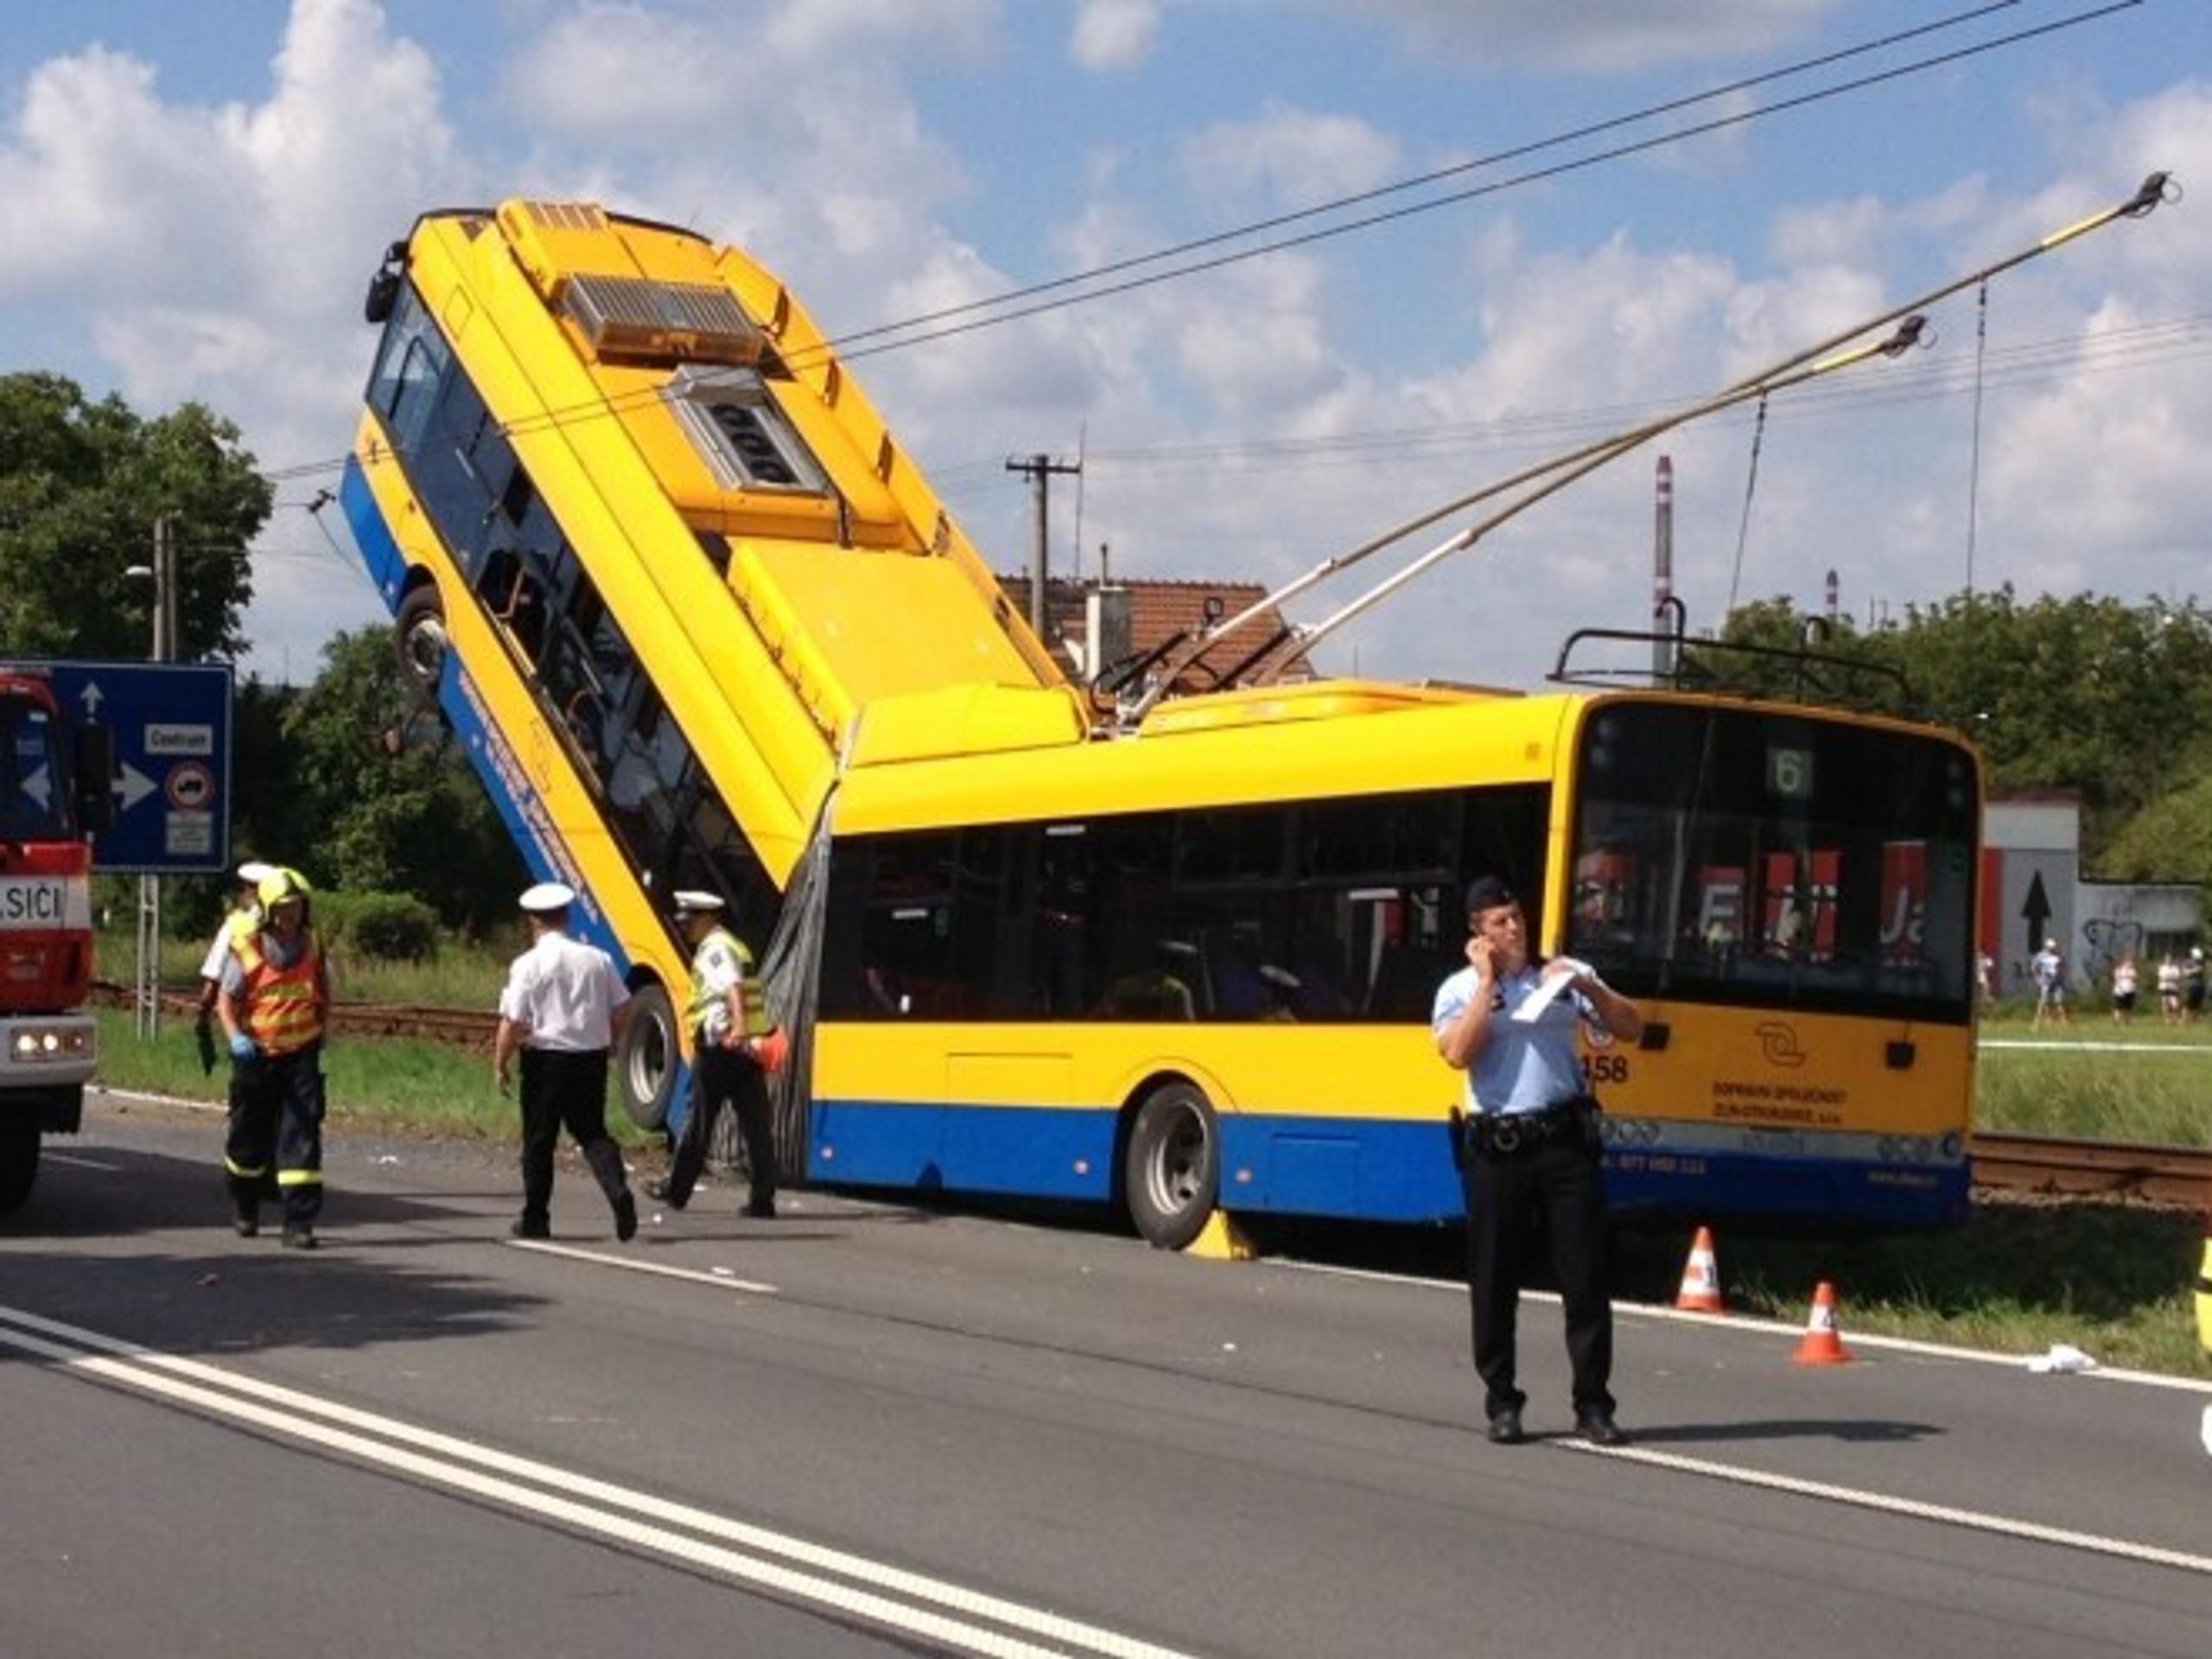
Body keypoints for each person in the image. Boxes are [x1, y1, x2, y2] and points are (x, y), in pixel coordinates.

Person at [1433, 875, 1644, 1448]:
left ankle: (1593, 1404)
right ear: (1478, 933)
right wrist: (1486, 984)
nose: (1515, 928)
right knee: (1494, 1280)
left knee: (1585, 1277)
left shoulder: (1562, 976)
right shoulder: (1459, 989)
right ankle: (1503, 1401)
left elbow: (1631, 1027)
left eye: (1518, 917)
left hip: (1563, 1143)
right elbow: (1458, 1054)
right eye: (1500, 922)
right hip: (1498, 1147)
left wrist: (1587, 986)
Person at [493, 881, 637, 1242]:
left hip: (545, 1061)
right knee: (592, 1131)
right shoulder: (598, 959)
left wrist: (500, 1063)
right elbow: (623, 1008)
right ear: (566, 916)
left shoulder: (527, 964)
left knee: (539, 1140)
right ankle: (617, 1189)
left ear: (533, 920)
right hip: (589, 1059)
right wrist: (612, 1042)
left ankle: (536, 1218)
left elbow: (513, 1021)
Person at [647, 890, 782, 1219]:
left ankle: (676, 1191)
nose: (684, 927)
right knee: (756, 1126)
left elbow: (732, 987)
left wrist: (736, 1028)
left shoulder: (715, 949)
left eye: (689, 920)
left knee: (699, 1121)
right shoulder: (735, 945)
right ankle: (762, 1199)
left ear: (708, 918)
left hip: (722, 1047)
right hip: (746, 1050)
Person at [216, 867, 330, 1249]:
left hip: (301, 1057)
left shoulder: (313, 944)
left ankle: (299, 1223)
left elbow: (323, 989)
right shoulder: (248, 948)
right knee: (249, 1139)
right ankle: (245, 1205)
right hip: (257, 1058)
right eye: (282, 908)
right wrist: (236, 1038)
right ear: (267, 910)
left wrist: (323, 1029)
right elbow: (226, 1001)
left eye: (296, 907)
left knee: (303, 1134)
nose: (290, 914)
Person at [196, 860, 275, 1077]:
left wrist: (203, 1024)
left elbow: (212, 984)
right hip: (293, 1039)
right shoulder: (295, 923)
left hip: (250, 1034)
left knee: (250, 1092)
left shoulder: (236, 926)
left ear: (248, 891)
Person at [2030, 938, 2069, 1029]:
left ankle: (2063, 1022)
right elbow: (2033, 968)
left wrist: (2062, 977)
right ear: (2046, 947)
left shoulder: (2058, 956)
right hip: (2045, 982)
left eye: (2053, 947)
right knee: (2043, 1002)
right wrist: (2038, 979)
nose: (2052, 949)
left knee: (2058, 1002)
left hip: (2057, 982)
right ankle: (2038, 1023)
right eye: (2050, 947)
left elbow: (2063, 967)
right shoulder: (2040, 956)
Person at [2109, 955, 2138, 1026]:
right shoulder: (2119, 970)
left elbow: (2136, 979)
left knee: (2127, 1007)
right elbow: (2116, 979)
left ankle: (2126, 1020)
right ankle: (2117, 1020)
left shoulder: (2132, 970)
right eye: (2129, 962)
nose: (2130, 963)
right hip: (2120, 991)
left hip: (2129, 990)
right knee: (2119, 1007)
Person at [2158, 954, 2184, 1026]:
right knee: (2164, 1003)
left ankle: (2177, 1018)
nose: (2168, 960)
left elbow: (2178, 977)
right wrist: (2171, 977)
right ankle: (2167, 1019)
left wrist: (2169, 977)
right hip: (2164, 987)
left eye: (2170, 959)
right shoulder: (2162, 968)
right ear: (2165, 960)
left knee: (2175, 1004)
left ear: (2172, 960)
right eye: (2167, 959)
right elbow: (2161, 977)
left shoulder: (2175, 968)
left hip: (2173, 987)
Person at [2186, 946, 2208, 1025]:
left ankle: (2195, 1019)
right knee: (2190, 1002)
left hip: (2201, 985)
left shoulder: (2202, 963)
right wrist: (2194, 970)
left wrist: (2197, 970)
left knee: (2198, 1003)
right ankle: (2185, 1018)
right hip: (2192, 985)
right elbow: (2186, 973)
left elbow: (2202, 970)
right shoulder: (2189, 962)